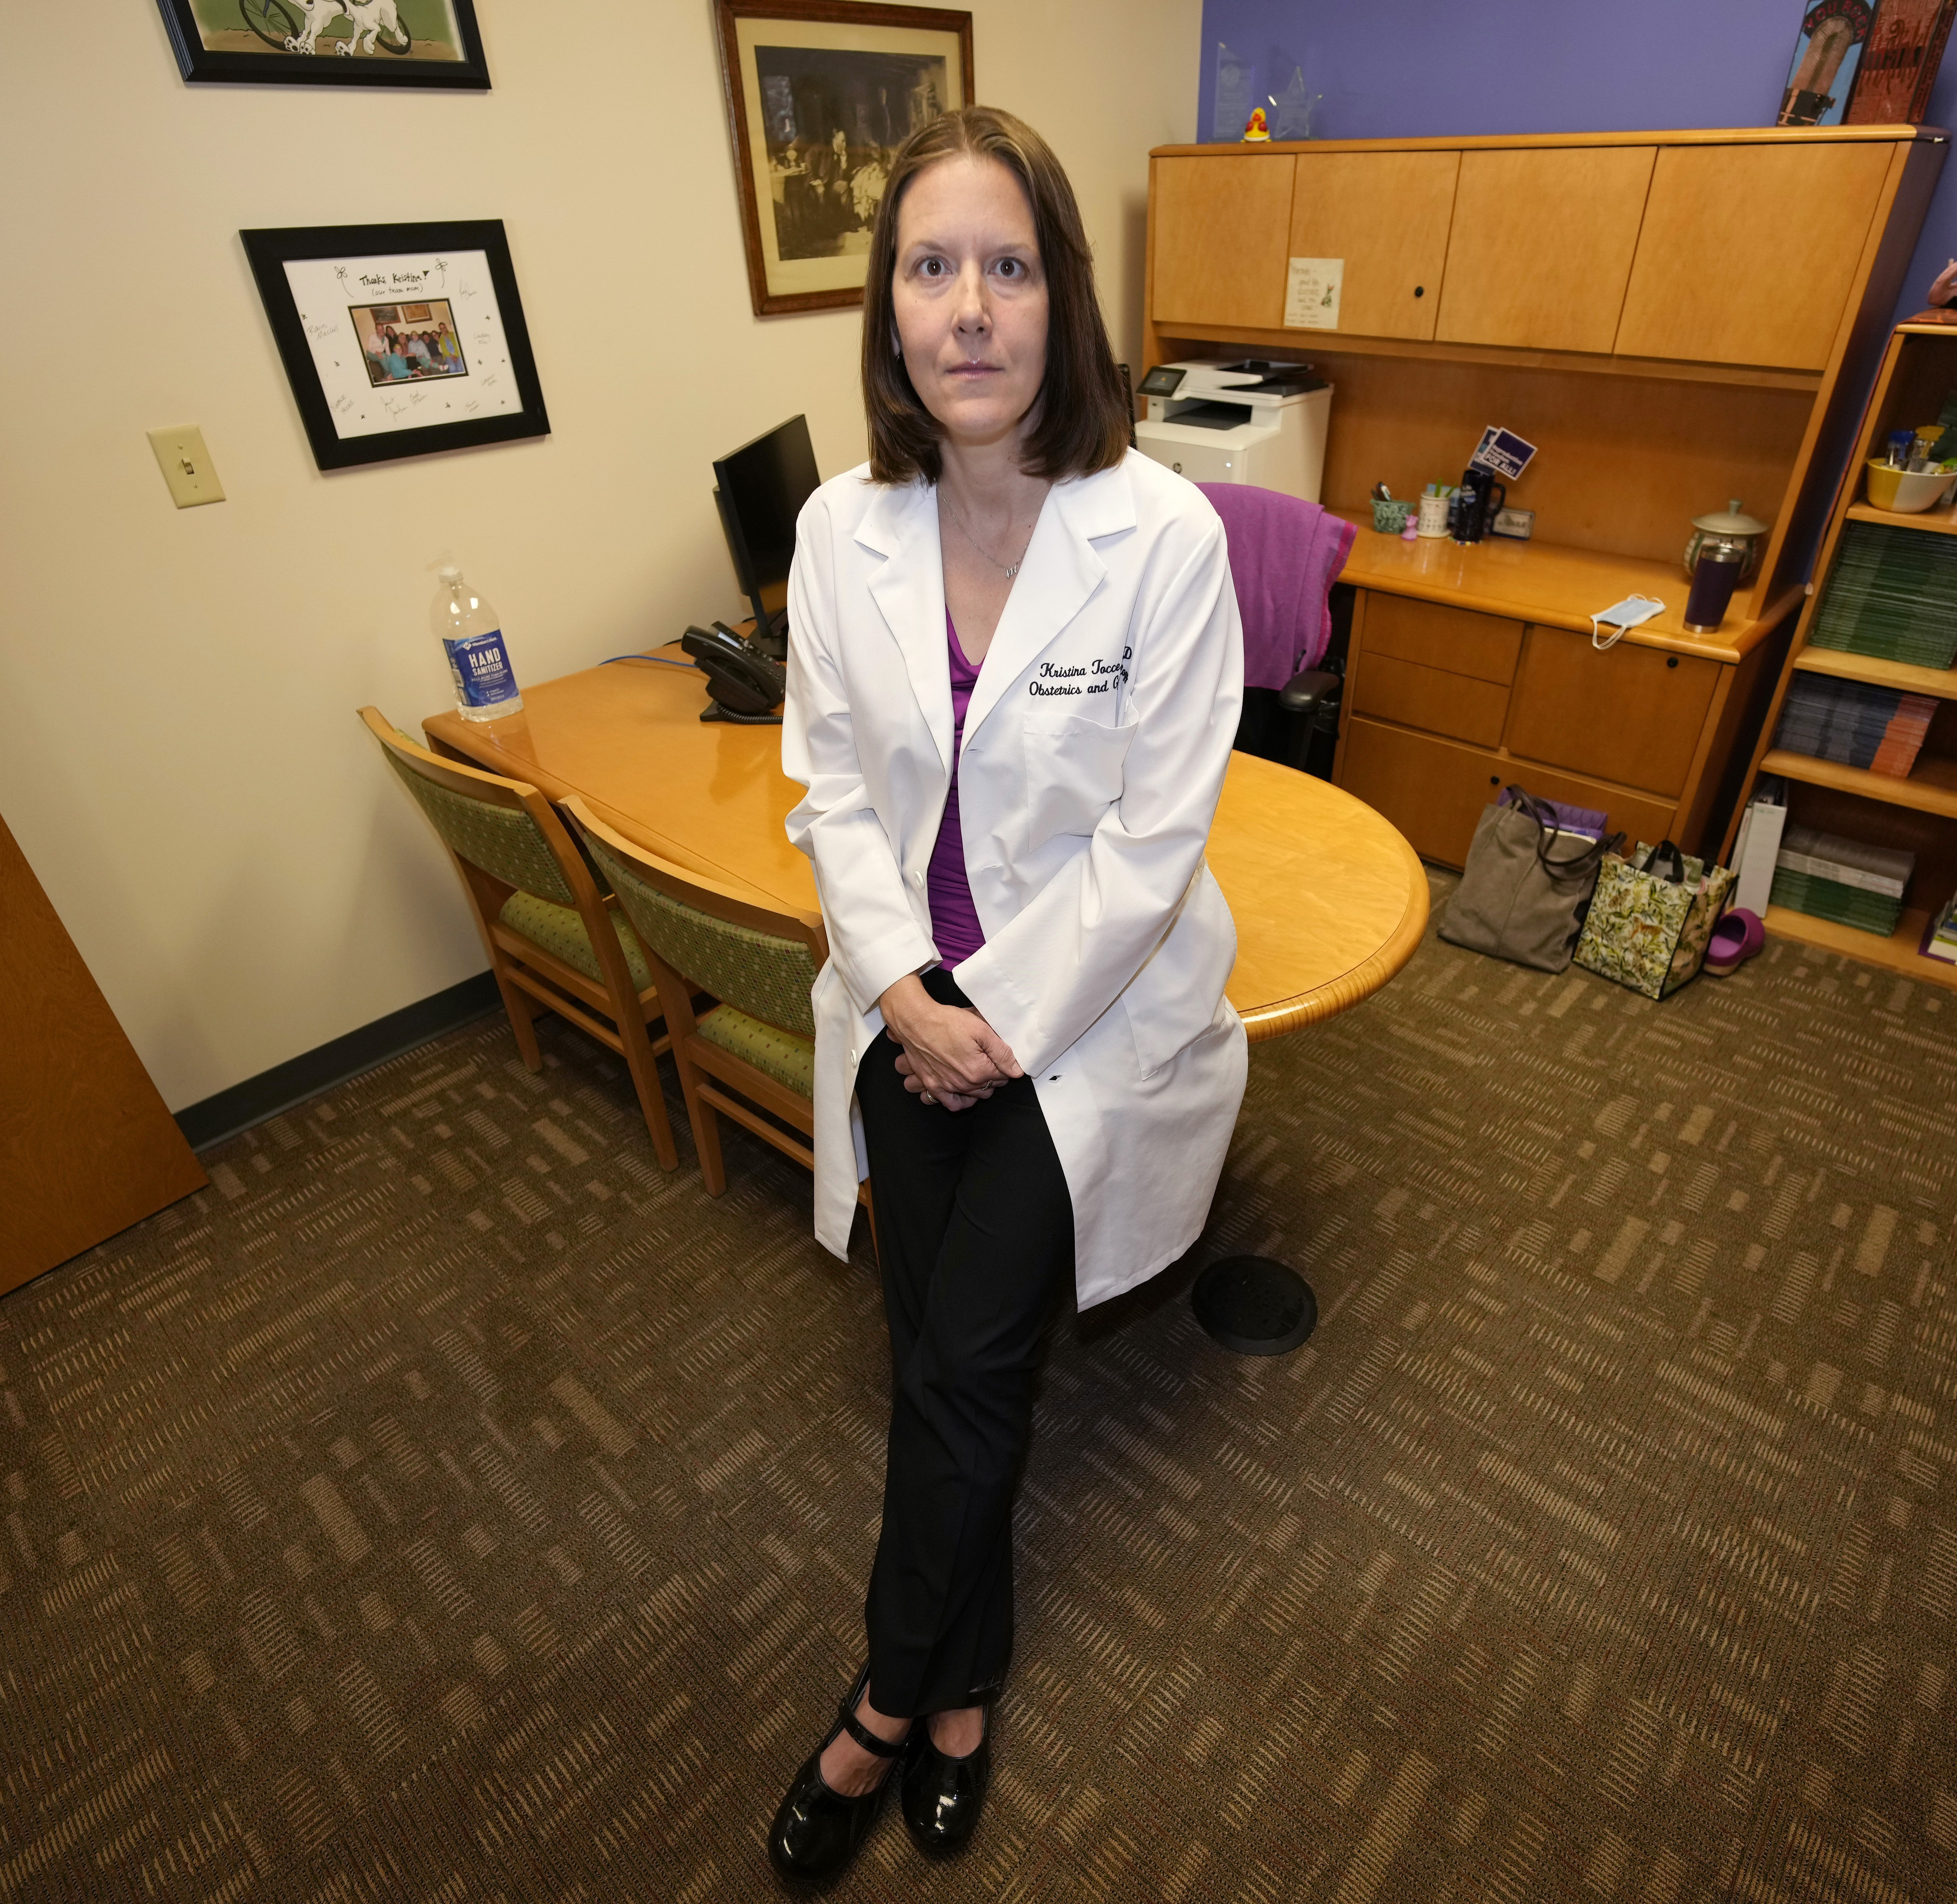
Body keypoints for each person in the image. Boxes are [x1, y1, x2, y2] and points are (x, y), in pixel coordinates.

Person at [765, 105, 1247, 1881]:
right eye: (930, 267)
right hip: (905, 1005)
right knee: (931, 1361)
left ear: (1065, 302)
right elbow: (824, 783)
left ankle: (884, 1706)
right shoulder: (840, 527)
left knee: (966, 1364)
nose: (970, 307)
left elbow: (1156, 840)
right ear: (890, 311)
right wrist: (901, 989)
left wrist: (1000, 1031)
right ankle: (970, 1685)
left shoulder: (1165, 537)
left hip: (1084, 1028)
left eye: (1011, 267)